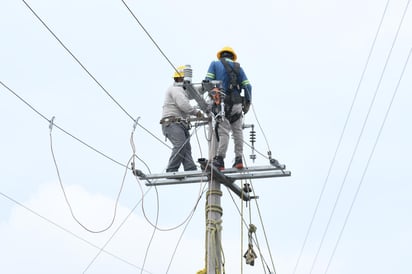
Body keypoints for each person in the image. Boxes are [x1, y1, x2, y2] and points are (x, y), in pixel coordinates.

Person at [205, 46, 252, 170]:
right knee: (237, 132)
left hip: (222, 103)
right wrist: (247, 103)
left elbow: (207, 83)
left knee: (223, 131)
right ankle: (238, 160)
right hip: (237, 104)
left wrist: (212, 95)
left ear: (221, 56)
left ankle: (220, 160)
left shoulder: (215, 64)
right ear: (232, 56)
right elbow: (248, 86)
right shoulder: (238, 68)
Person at [160, 65, 202, 172]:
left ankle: (190, 167)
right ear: (180, 78)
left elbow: (194, 92)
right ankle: (171, 169)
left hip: (180, 124)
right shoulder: (175, 89)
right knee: (180, 145)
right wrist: (196, 112)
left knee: (186, 148)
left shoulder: (182, 90)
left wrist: (205, 87)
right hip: (172, 123)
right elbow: (183, 104)